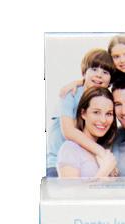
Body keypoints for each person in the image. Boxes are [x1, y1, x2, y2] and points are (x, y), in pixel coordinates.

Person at [46, 49, 115, 177]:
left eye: (105, 72)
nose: (99, 75)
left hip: (84, 159)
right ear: (84, 72)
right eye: (94, 69)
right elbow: (68, 131)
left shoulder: (103, 100)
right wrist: (101, 152)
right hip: (56, 163)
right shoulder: (71, 94)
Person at [57, 87, 117, 179]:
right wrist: (104, 172)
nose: (103, 120)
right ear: (83, 113)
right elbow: (69, 188)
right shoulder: (70, 149)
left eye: (109, 114)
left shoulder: (105, 151)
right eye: (96, 112)